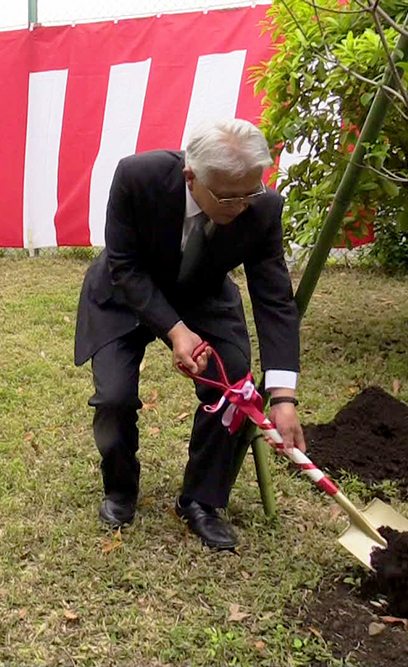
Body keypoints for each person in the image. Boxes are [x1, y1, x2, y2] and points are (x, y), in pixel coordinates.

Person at [73, 119, 305, 550]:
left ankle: (200, 500)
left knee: (234, 385)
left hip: (202, 292)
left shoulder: (263, 206)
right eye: (228, 197)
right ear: (190, 177)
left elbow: (274, 299)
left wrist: (285, 397)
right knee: (114, 397)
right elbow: (123, 264)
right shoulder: (137, 176)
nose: (242, 206)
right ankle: (120, 487)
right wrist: (176, 331)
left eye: (250, 192)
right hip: (124, 291)